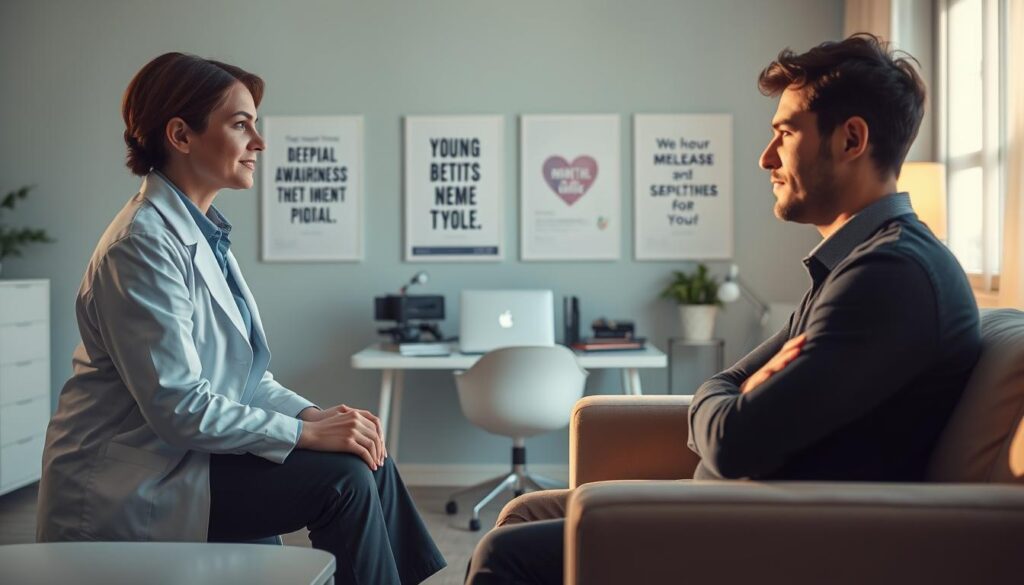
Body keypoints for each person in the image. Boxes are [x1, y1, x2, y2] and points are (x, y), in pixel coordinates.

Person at [465, 33, 981, 585]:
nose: (766, 157)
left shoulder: (890, 276)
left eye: (786, 133)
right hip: (738, 509)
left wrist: (723, 398)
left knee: (506, 557)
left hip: (773, 536)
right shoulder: (855, 264)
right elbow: (728, 390)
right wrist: (726, 396)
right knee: (522, 519)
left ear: (851, 138)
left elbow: (733, 440)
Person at [36, 52, 446, 585]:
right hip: (135, 479)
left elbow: (247, 379)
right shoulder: (140, 245)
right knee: (343, 478)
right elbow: (178, 407)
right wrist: (304, 434)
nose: (260, 142)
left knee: (368, 452)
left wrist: (318, 416)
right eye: (240, 124)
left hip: (184, 458)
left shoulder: (203, 233)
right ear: (181, 135)